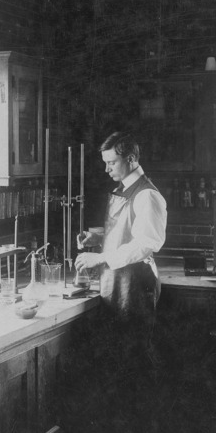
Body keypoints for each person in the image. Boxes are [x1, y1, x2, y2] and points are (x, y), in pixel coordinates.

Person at [74, 131, 167, 321]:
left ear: (131, 159)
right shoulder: (123, 188)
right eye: (105, 163)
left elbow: (145, 244)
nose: (106, 170)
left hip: (136, 286)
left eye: (112, 163)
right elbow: (130, 231)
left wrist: (100, 258)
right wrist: (100, 238)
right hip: (118, 283)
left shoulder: (146, 195)